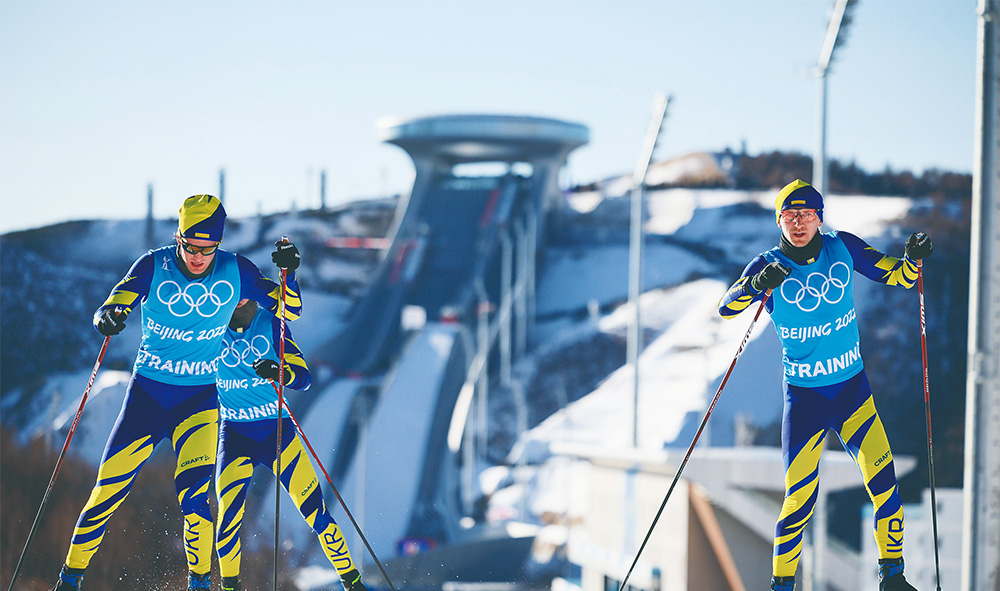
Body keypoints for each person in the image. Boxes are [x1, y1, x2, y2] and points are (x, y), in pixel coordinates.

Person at [53, 194, 303, 591]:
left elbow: (290, 311)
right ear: (178, 236)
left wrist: (289, 275)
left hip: (199, 401)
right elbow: (111, 305)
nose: (199, 257)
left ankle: (199, 584)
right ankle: (69, 579)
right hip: (148, 397)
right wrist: (108, 318)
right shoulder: (154, 265)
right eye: (191, 246)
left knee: (196, 501)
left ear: (219, 243)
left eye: (208, 248)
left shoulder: (236, 270)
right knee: (108, 490)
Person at [718, 180, 932, 591]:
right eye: (789, 215)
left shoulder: (842, 248)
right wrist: (757, 284)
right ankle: (782, 587)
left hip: (852, 394)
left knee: (885, 486)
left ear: (819, 218)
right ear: (779, 221)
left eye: (807, 214)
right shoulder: (767, 264)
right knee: (799, 501)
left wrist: (913, 257)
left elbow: (902, 277)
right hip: (806, 403)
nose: (798, 223)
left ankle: (893, 577)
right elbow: (727, 308)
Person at [214, 298, 367, 591]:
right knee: (228, 518)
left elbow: (304, 378)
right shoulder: (210, 327)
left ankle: (352, 582)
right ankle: (229, 587)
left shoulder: (271, 324)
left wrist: (279, 371)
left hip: (277, 434)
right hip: (235, 437)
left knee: (316, 513)